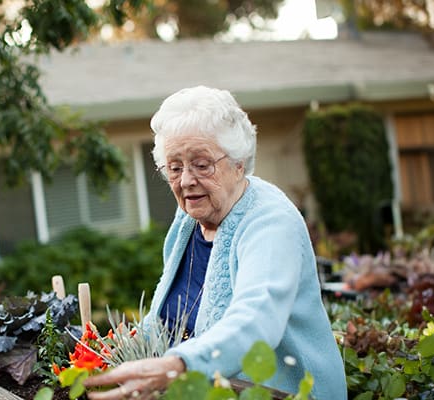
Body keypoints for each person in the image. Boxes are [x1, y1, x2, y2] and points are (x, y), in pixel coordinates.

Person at [83, 86, 347, 399]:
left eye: (202, 164)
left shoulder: (271, 223)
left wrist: (181, 364)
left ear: (239, 162)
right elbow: (171, 317)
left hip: (284, 392)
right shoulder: (189, 219)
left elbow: (257, 317)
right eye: (175, 167)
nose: (185, 181)